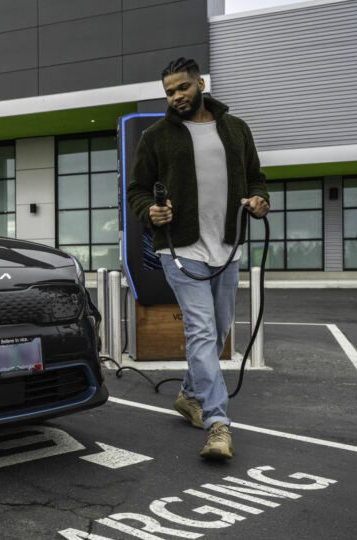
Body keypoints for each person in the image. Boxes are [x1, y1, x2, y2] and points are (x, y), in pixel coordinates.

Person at [127, 57, 270, 460]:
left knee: (219, 328)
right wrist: (149, 211)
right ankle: (217, 423)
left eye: (182, 88)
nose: (176, 97)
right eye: (169, 92)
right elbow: (137, 189)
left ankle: (190, 394)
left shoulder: (236, 129)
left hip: (226, 246)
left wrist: (260, 201)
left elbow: (257, 177)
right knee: (203, 332)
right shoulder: (155, 137)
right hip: (179, 249)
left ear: (200, 84)